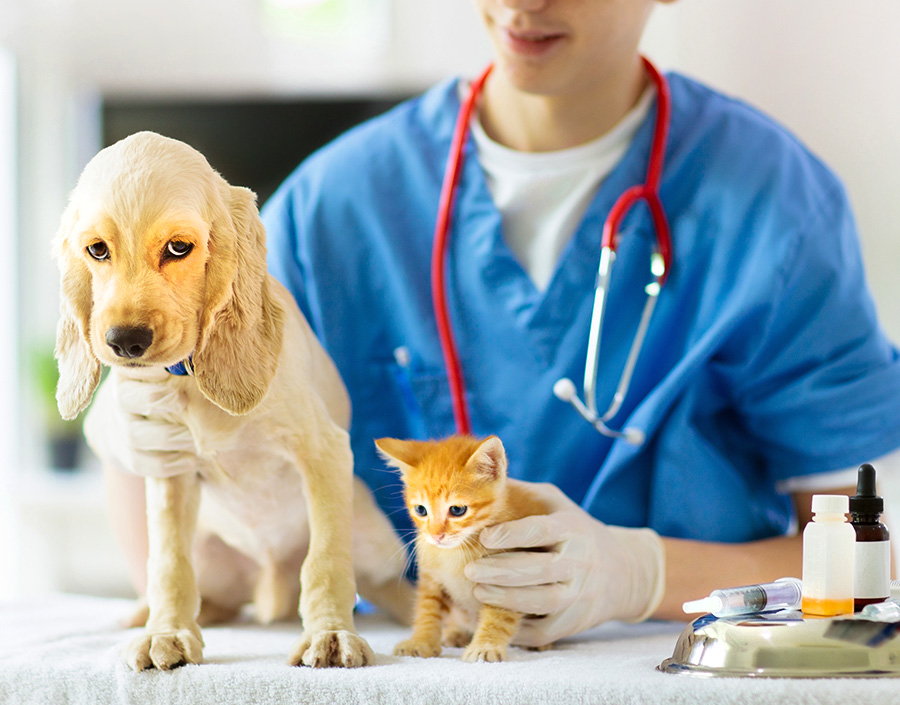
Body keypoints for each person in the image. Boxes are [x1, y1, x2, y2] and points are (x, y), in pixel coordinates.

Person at [90, 0, 900, 647]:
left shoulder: (773, 202)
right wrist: (129, 432)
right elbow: (174, 526)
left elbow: (860, 565)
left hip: (680, 699)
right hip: (415, 702)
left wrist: (641, 575)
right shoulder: (337, 203)